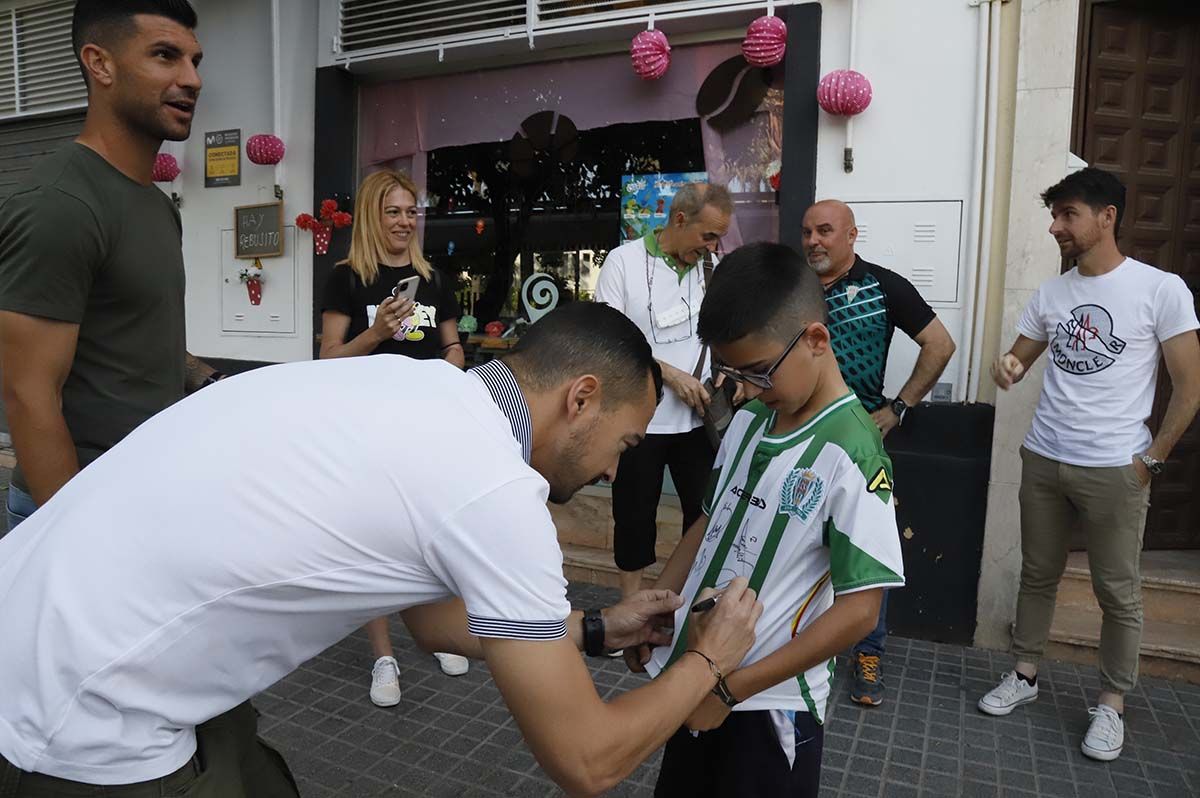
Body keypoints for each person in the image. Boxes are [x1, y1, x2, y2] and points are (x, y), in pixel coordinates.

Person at [0, 302, 763, 798]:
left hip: (34, 614)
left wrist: (599, 629)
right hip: (75, 711)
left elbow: (434, 626)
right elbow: (588, 761)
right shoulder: (494, 489)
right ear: (581, 398)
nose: (614, 470)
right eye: (625, 444)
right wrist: (711, 658)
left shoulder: (416, 390)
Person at [626, 242, 905, 797]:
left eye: (757, 371)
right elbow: (708, 523)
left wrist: (731, 691)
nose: (746, 388)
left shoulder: (853, 452)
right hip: (698, 675)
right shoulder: (751, 419)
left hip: (767, 706)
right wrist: (656, 607)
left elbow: (859, 610)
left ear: (816, 340)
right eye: (731, 371)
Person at [979, 167, 1200, 761]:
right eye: (1054, 216)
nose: (1055, 227)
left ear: (1107, 218)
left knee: (1118, 592)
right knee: (1037, 573)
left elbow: (1189, 389)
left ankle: (1111, 705)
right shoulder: (1053, 293)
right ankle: (1024, 674)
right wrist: (1008, 367)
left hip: (1115, 469)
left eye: (1067, 214)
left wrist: (1150, 461)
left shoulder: (1161, 289)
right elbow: (1018, 358)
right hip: (1046, 457)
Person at [0, 0, 220, 536]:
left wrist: (209, 382)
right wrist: (79, 538)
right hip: (79, 515)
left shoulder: (156, 204)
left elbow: (129, 330)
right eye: (165, 56)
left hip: (147, 495)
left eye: (195, 61)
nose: (191, 79)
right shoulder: (60, 204)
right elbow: (29, 394)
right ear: (100, 64)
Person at [320, 168, 470, 700]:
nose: (405, 221)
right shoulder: (347, 277)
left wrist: (452, 365)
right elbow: (327, 359)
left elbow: (453, 347)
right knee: (378, 539)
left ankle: (440, 634)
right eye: (393, 211)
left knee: (432, 534)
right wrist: (377, 333)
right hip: (369, 430)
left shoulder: (433, 280)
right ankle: (384, 657)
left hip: (426, 429)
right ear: (371, 216)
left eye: (411, 211)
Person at [800, 199, 956, 707]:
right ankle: (793, 639)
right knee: (794, 535)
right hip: (796, 431)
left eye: (825, 231)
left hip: (859, 439)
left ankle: (869, 652)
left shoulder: (884, 286)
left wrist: (899, 408)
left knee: (866, 545)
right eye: (807, 232)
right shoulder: (792, 287)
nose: (813, 241)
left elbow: (940, 344)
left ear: (851, 235)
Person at [594, 182, 737, 603]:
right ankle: (630, 609)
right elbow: (608, 339)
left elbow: (725, 335)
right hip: (639, 419)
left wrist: (727, 372)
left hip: (698, 420)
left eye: (718, 237)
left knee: (704, 516)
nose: (712, 245)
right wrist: (668, 373)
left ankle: (690, 603)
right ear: (679, 219)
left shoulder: (713, 267)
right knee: (634, 518)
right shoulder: (623, 262)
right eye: (707, 235)